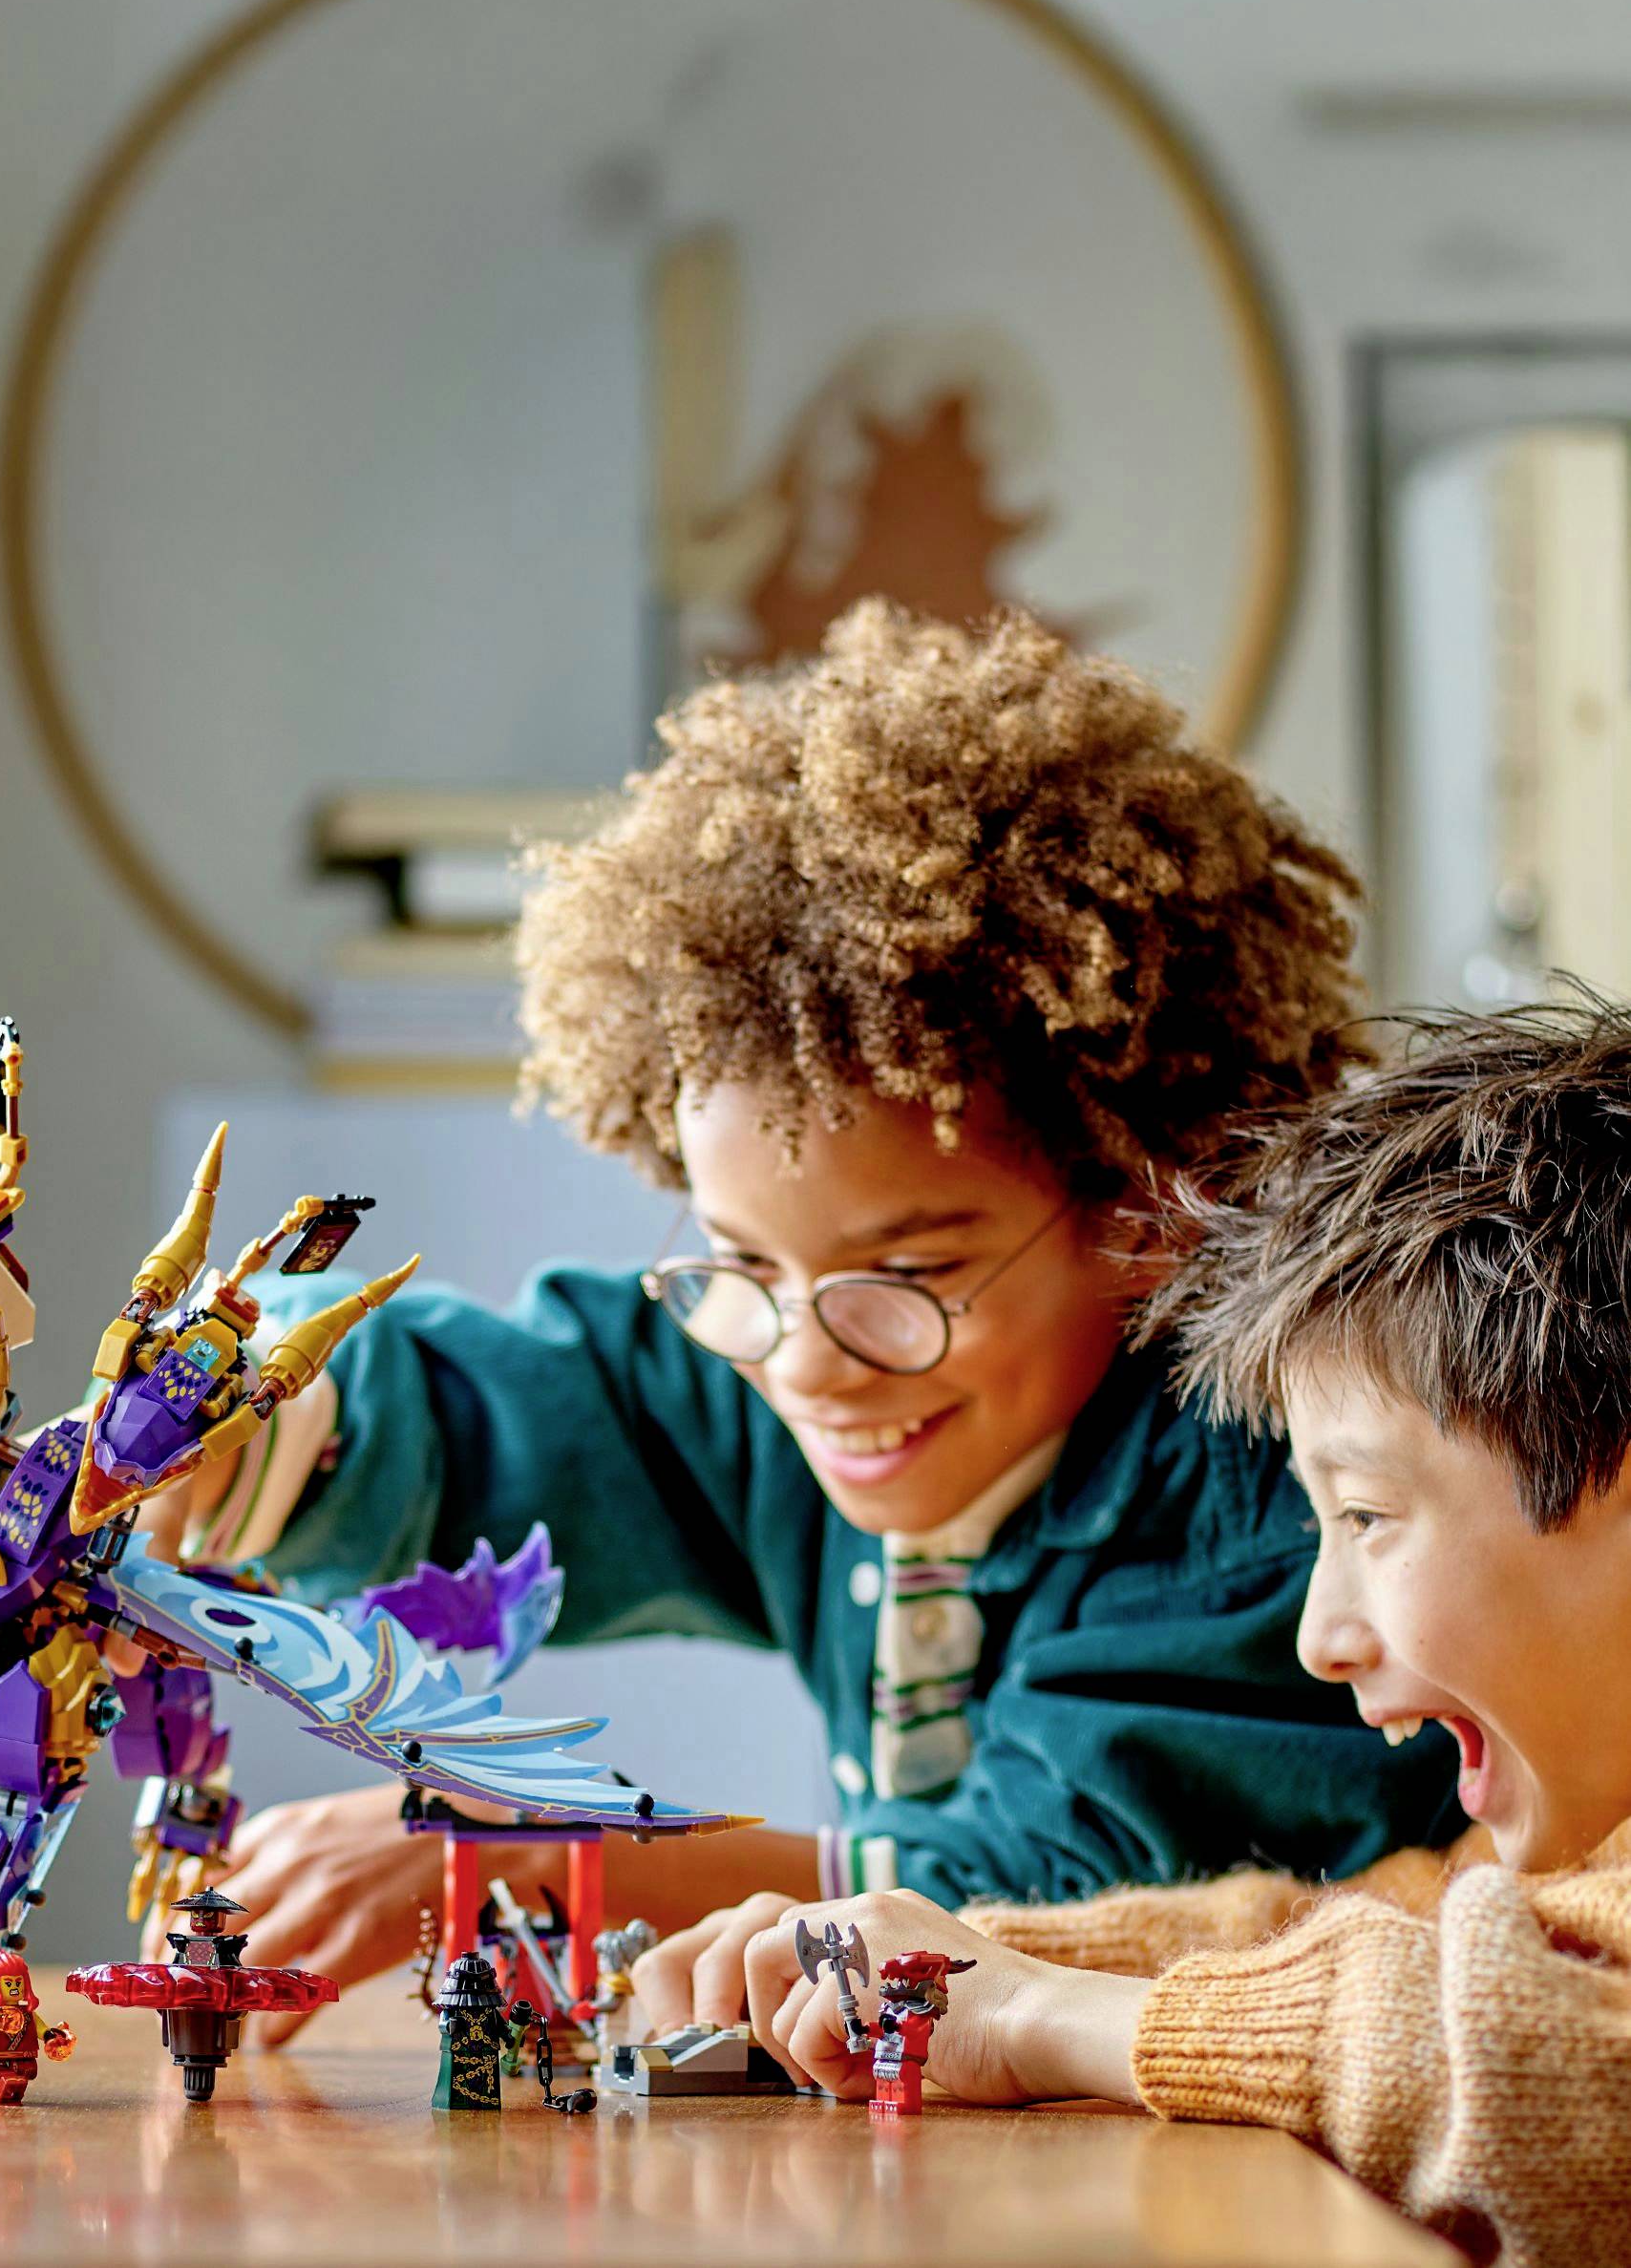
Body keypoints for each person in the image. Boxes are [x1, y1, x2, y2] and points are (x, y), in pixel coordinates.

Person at [140, 602, 1460, 2021]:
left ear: (1150, 1211)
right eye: (741, 1265)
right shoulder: (775, 1352)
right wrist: (250, 1406)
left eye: (906, 1280)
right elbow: (514, 1412)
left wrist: (541, 1858)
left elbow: (1068, 1895)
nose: (811, 1365)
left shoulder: (1268, 1486)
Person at [730, 997, 1631, 2266]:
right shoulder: (1549, 1863)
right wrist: (960, 1961)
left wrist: (1050, 2014)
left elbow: (1535, 2058)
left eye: (1368, 1515)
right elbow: (1375, 1931)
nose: (1319, 1633)